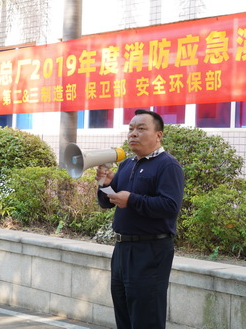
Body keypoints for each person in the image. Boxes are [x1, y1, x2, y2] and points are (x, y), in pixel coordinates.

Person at [95, 109, 185, 329]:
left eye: (141, 129)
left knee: (146, 316)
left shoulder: (168, 165)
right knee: (124, 314)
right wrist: (104, 185)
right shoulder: (127, 165)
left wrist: (132, 199)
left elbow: (170, 206)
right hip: (122, 249)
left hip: (150, 250)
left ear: (158, 135)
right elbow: (108, 203)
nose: (133, 134)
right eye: (131, 129)